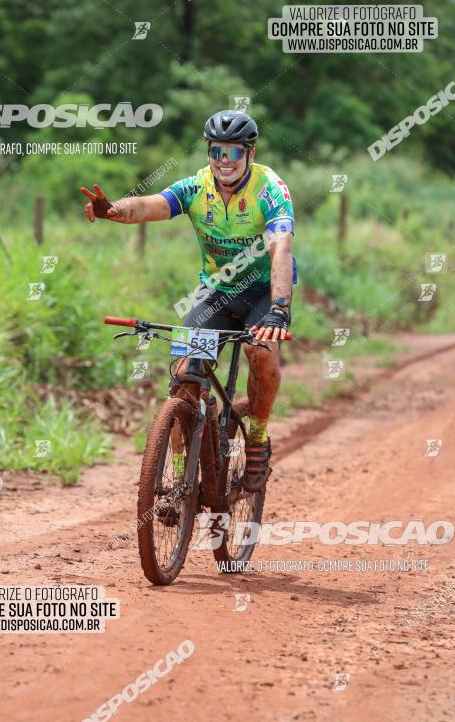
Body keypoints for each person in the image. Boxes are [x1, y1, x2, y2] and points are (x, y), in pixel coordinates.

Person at [81, 110, 295, 492]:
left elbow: (282, 250)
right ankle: (182, 477)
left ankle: (258, 438)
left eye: (233, 152)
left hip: (263, 293)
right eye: (216, 151)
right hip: (214, 293)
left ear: (250, 152)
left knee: (260, 353)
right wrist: (113, 210)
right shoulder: (197, 187)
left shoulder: (270, 189)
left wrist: (279, 310)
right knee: (184, 378)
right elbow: (149, 205)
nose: (223, 161)